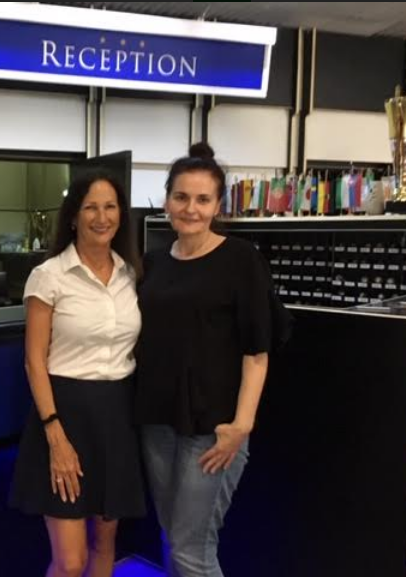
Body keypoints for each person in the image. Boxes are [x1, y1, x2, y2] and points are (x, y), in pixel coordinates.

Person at [134, 143, 272, 577]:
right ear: (166, 200)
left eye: (202, 199)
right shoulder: (154, 262)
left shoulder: (241, 260)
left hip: (214, 428)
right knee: (171, 536)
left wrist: (241, 426)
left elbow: (257, 350)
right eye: (181, 197)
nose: (190, 208)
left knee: (192, 549)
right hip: (157, 421)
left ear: (217, 205)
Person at [10, 170, 146, 577]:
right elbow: (34, 361)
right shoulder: (49, 275)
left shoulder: (130, 274)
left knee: (104, 544)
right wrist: (55, 435)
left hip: (117, 418)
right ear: (73, 216)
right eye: (90, 208)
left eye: (110, 207)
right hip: (64, 416)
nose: (101, 217)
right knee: (71, 562)